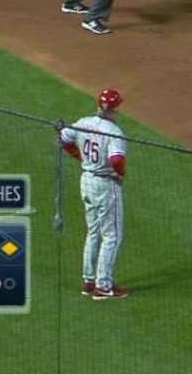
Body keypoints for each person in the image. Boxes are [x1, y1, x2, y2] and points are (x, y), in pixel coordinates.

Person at [58, 88, 130, 300]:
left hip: (86, 180)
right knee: (112, 236)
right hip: (105, 184)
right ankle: (103, 286)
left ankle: (89, 281)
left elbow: (63, 138)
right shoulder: (114, 132)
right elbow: (117, 160)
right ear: (115, 109)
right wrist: (121, 174)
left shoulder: (84, 122)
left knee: (93, 231)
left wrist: (79, 157)